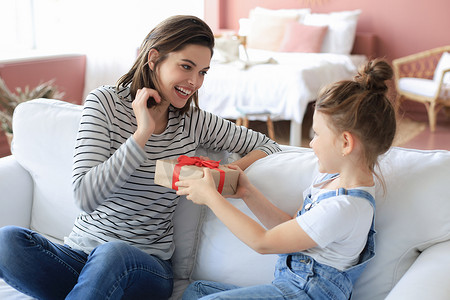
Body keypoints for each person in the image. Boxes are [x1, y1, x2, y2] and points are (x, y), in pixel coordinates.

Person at [0, 15, 280, 300]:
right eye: (186, 67)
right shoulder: (104, 104)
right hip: (80, 256)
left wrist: (224, 172)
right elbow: (84, 197)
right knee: (7, 242)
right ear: (154, 58)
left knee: (114, 253)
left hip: (147, 268)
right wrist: (141, 134)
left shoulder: (195, 122)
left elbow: (268, 145)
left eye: (203, 72)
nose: (195, 82)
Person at [177, 59, 397, 300]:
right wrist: (248, 191)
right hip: (288, 287)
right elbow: (289, 228)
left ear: (345, 143)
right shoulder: (329, 179)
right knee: (195, 291)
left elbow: (263, 242)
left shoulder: (346, 207)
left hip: (307, 294)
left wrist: (211, 197)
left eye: (317, 134)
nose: (311, 143)